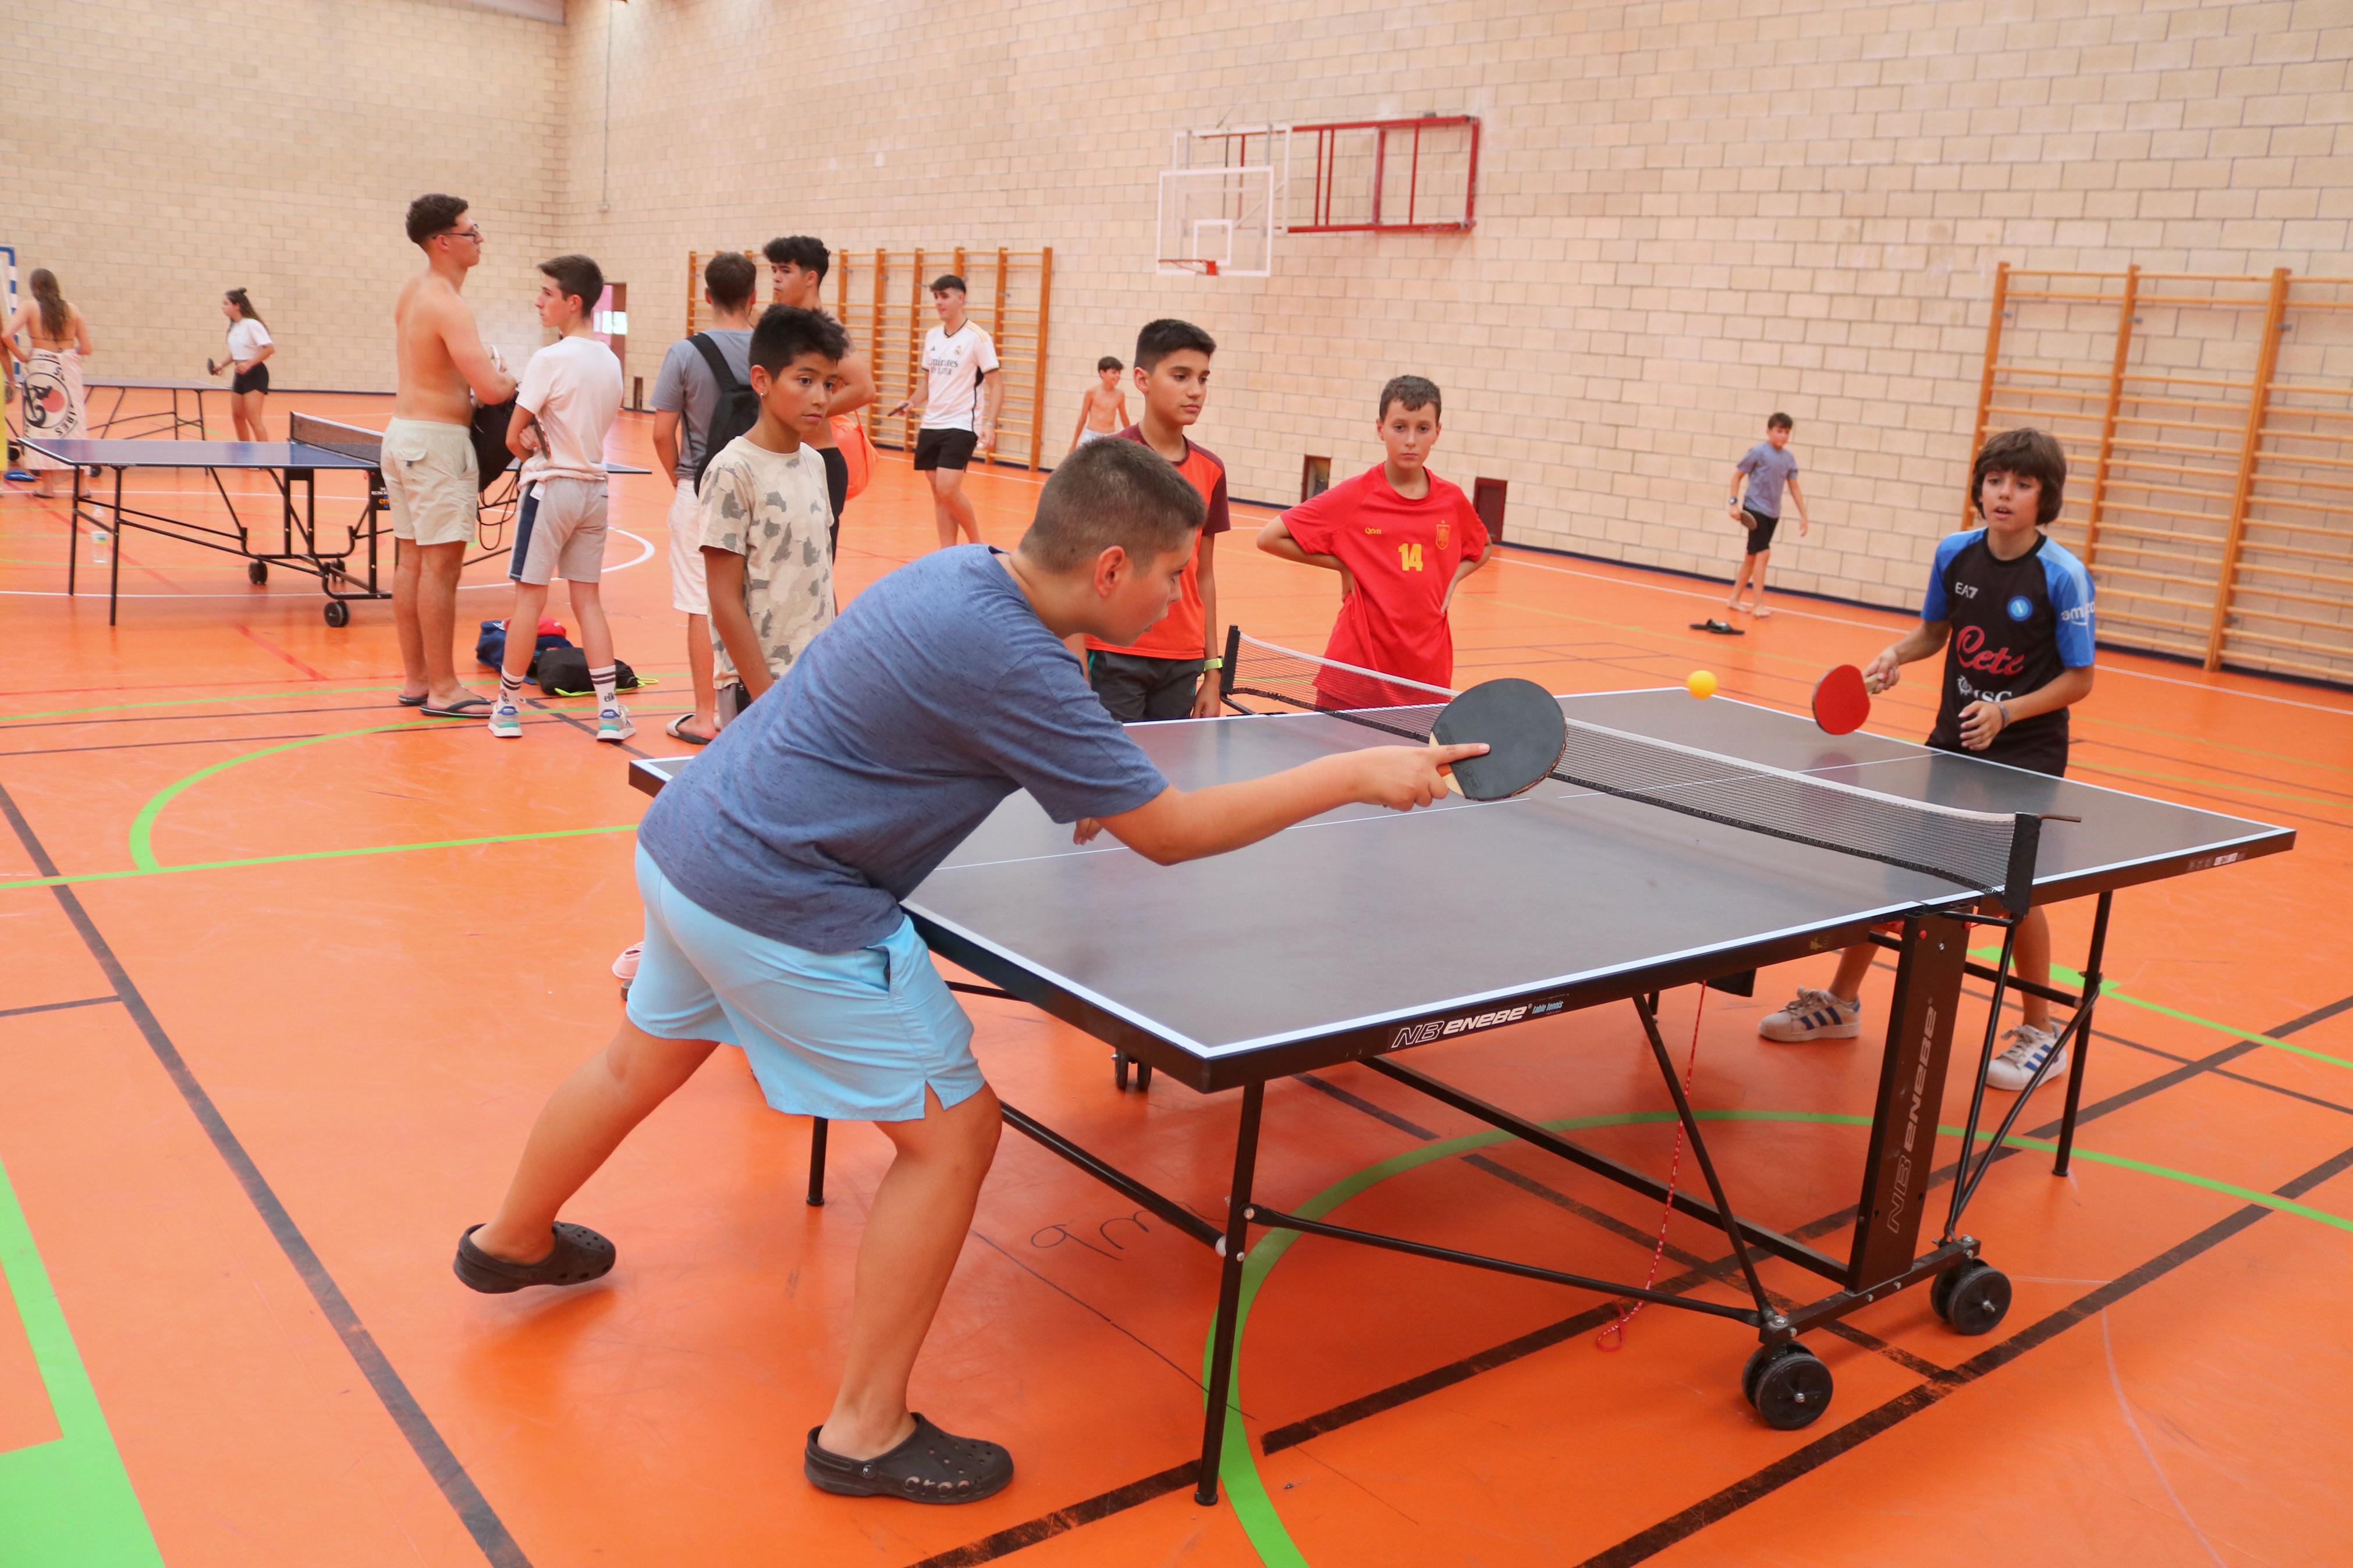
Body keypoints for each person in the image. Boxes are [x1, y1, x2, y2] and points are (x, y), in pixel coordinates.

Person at [452, 435, 1484, 1505]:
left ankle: (513, 1240)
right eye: (1174, 572)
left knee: (640, 1059)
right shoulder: (1017, 661)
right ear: (1111, 569)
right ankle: (863, 1431)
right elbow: (1168, 833)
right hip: (781, 900)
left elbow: (964, 716)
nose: (1183, 592)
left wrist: (1078, 776)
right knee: (953, 1135)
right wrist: (1355, 773)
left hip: (691, 845)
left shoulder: (961, 575)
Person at [1758, 428, 2095, 1093]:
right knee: (1901, 871)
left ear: (2043, 497)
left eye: (2021, 484)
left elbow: (2079, 680)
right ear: (1980, 487)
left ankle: (2039, 1031)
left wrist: (2007, 710)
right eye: (1995, 480)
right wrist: (1894, 656)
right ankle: (1840, 1004)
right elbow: (1935, 633)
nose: (2004, 494)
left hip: (2024, 757)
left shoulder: (2060, 574)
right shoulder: (1954, 555)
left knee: (2013, 894)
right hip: (1949, 744)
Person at [1255, 375, 1493, 703]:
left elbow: (1483, 548)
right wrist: (1344, 565)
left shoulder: (1451, 501)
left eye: (1423, 428)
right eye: (1400, 427)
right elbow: (1270, 537)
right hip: (1357, 676)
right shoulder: (1356, 496)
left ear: (1437, 433)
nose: (1411, 440)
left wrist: (1454, 577)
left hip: (1426, 679)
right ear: (1380, 428)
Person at [388, 194, 516, 718]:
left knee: (411, 562)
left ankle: (418, 680)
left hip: (402, 436)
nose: (478, 238)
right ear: (443, 242)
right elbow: (489, 390)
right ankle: (443, 688)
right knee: (440, 571)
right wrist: (507, 375)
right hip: (437, 444)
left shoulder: (413, 290)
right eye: (471, 232)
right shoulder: (448, 303)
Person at [490, 254, 628, 742]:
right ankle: (610, 712)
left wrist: (527, 440)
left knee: (529, 601)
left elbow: (512, 436)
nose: (538, 300)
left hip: (551, 490)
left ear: (574, 302)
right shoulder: (611, 361)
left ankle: (507, 706)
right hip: (595, 491)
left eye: (547, 293)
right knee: (588, 602)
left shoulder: (549, 359)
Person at [700, 305, 849, 723]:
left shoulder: (814, 463)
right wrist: (766, 697)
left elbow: (819, 572)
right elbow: (723, 598)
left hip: (814, 679)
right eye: (805, 380)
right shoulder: (733, 471)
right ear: (762, 380)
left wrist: (831, 661)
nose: (820, 397)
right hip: (758, 687)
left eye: (828, 383)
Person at [1079, 319, 1227, 720]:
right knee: (1112, 778)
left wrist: (1212, 673)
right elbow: (1075, 568)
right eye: (1180, 376)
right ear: (1142, 380)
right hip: (1114, 654)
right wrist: (1075, 669)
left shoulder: (1211, 470)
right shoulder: (1106, 461)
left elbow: (1204, 575)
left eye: (1202, 378)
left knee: (1168, 778)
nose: (1195, 390)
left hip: (1182, 661)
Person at [649, 251, 760, 746]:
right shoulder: (769, 350)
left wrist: (680, 474)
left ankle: (703, 715)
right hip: (761, 486)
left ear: (708, 297)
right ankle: (756, 709)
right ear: (754, 297)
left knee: (701, 601)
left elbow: (660, 431)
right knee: (758, 601)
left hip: (701, 486)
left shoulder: (685, 353)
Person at [764, 236, 877, 558]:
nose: (775, 278)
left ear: (810, 278)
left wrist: (804, 411)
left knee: (816, 578)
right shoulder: (785, 324)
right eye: (773, 270)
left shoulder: (821, 329)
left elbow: (864, 388)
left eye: (785, 271)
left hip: (817, 463)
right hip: (784, 459)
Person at [885, 275, 1000, 550]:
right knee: (939, 495)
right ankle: (947, 552)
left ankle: (977, 546)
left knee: (949, 489)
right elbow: (927, 382)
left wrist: (990, 423)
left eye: (944, 296)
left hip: (961, 424)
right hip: (932, 423)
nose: (939, 302)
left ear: (960, 298)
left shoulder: (978, 338)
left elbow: (997, 385)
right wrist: (912, 402)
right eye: (936, 296)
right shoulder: (932, 336)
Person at [5, 269, 94, 500]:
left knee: (43, 425)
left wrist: (23, 357)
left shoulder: (29, 306)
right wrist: (67, 352)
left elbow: (6, 336)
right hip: (69, 366)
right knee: (75, 424)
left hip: (41, 368)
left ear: (35, 287)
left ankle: (48, 487)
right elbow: (86, 348)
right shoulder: (72, 309)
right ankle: (81, 486)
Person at [1724, 413, 1810, 617]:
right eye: (1779, 431)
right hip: (1755, 508)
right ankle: (1758, 604)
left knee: (1751, 557)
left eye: (1787, 432)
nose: (1783, 436)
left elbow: (1795, 488)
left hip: (1773, 512)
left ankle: (1734, 599)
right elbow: (1737, 477)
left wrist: (1804, 515)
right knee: (1764, 554)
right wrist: (1733, 504)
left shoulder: (1789, 459)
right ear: (1769, 431)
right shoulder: (1758, 453)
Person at [217, 288, 275, 441]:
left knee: (254, 419)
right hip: (240, 374)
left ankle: (264, 461)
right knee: (237, 417)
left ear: (237, 306)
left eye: (226, 304)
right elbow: (236, 352)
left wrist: (249, 364)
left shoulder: (252, 325)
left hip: (255, 373)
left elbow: (269, 349)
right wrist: (221, 365)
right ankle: (245, 455)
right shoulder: (235, 327)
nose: (223, 307)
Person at [1066, 356, 1128, 452]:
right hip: (1091, 435)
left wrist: (1133, 438)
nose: (1118, 376)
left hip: (1110, 436)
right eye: (1114, 372)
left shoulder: (1120, 394)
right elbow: (1083, 418)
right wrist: (1074, 443)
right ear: (1102, 373)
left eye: (1119, 373)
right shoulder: (1091, 392)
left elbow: (1124, 418)